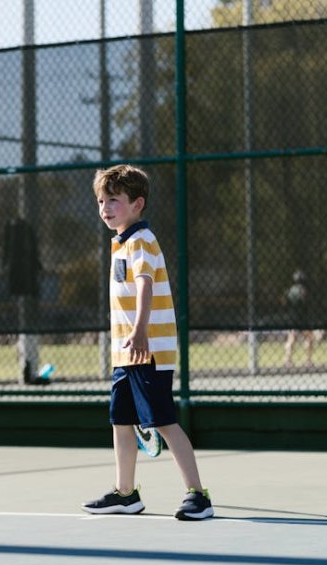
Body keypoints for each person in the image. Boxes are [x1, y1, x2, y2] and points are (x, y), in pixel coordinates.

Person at [81, 164, 213, 521]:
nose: (105, 208)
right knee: (121, 421)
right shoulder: (121, 242)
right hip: (126, 353)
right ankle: (126, 494)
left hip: (148, 349)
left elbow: (145, 285)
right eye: (101, 201)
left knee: (164, 421)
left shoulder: (142, 241)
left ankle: (198, 495)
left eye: (114, 200)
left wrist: (139, 331)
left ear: (138, 203)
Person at [283, 269, 316, 367]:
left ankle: (288, 360)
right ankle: (307, 360)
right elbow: (307, 304)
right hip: (303, 318)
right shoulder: (304, 290)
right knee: (308, 338)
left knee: (291, 338)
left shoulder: (290, 290)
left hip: (292, 317)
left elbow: (285, 303)